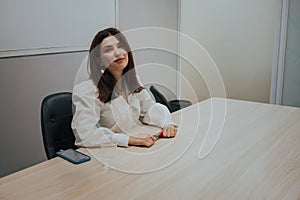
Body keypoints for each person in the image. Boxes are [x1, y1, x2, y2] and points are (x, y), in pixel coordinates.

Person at [71, 27, 177, 148]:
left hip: (136, 146)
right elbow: (86, 135)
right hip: (109, 153)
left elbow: (149, 108)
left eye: (120, 46)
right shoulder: (88, 90)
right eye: (108, 49)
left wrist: (167, 123)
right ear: (98, 60)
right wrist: (129, 140)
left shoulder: (132, 80)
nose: (118, 52)